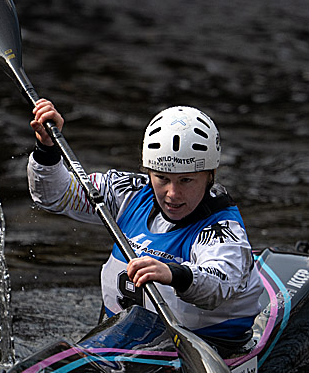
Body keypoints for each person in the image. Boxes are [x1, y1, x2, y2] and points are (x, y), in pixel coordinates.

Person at [28, 98, 263, 350]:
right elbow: (56, 195)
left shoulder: (221, 229)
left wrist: (173, 273)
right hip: (122, 343)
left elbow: (219, 284)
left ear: (209, 176)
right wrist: (48, 147)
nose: (172, 194)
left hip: (206, 347)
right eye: (162, 178)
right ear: (149, 171)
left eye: (186, 181)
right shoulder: (128, 193)